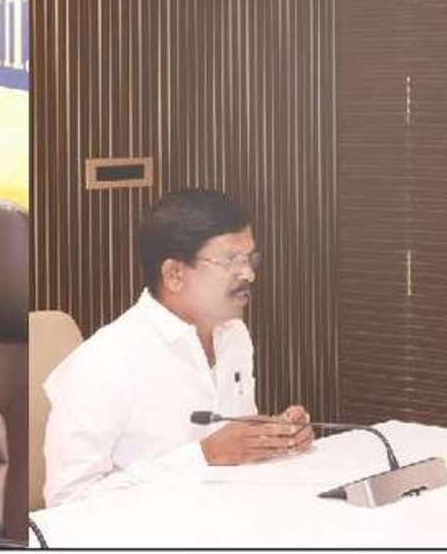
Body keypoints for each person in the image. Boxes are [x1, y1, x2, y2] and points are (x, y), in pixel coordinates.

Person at [42, 189, 315, 507]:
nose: (248, 274)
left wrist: (275, 438)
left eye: (249, 259)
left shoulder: (233, 335)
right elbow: (67, 502)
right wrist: (202, 457)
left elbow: (234, 452)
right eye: (230, 261)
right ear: (174, 275)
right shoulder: (103, 362)